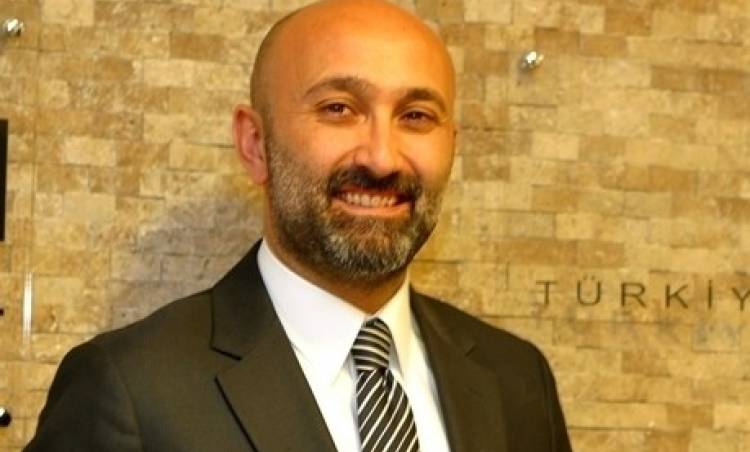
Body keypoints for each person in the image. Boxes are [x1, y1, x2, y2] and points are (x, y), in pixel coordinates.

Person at [25, 0, 573, 451]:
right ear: (255, 144)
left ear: (452, 144)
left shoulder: (518, 381)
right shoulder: (130, 391)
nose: (382, 158)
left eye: (416, 116)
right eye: (339, 108)